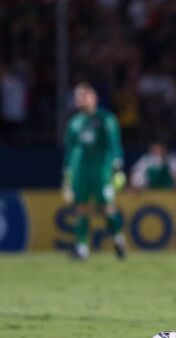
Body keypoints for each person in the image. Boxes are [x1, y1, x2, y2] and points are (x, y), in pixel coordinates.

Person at [62, 82, 127, 259]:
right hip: (80, 171)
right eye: (79, 97)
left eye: (85, 96)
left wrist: (118, 167)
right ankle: (82, 248)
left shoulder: (106, 119)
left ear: (94, 98)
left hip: (101, 171)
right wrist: (67, 174)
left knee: (107, 207)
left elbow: (114, 144)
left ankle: (118, 240)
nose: (82, 100)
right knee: (81, 208)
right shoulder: (74, 123)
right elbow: (70, 150)